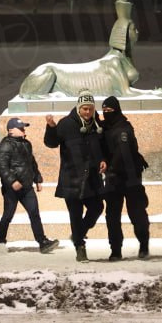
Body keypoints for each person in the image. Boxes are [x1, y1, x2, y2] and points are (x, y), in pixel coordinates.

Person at [44, 90, 108, 262]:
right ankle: (80, 248)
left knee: (97, 208)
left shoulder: (97, 126)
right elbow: (51, 143)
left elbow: (102, 147)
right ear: (79, 108)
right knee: (75, 214)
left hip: (92, 179)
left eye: (90, 109)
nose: (88, 112)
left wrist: (103, 159)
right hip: (71, 178)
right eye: (85, 109)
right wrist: (51, 127)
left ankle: (78, 233)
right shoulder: (66, 124)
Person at [0, 117, 59, 254]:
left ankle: (42, 242)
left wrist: (37, 178)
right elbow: (2, 167)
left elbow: (32, 163)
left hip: (27, 187)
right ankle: (0, 241)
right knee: (8, 214)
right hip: (12, 189)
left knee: (34, 213)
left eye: (24, 128)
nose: (24, 130)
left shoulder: (26, 144)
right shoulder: (5, 145)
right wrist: (12, 181)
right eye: (21, 128)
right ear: (11, 130)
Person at [100, 95, 151, 260]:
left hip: (130, 178)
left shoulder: (124, 128)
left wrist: (112, 168)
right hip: (114, 179)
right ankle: (115, 250)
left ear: (117, 110)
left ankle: (143, 245)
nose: (107, 113)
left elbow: (123, 153)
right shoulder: (105, 128)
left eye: (110, 110)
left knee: (136, 213)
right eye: (104, 110)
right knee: (112, 216)